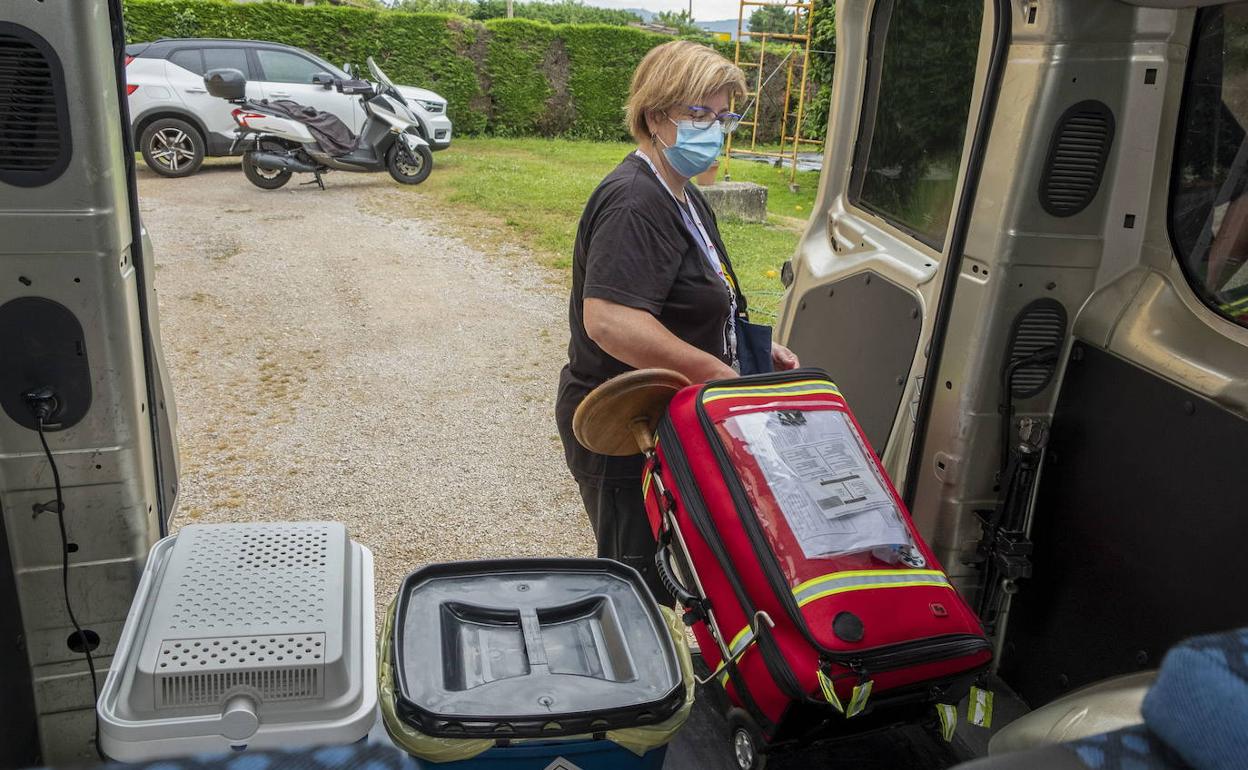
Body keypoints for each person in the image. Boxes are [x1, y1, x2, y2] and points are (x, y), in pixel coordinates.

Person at [555, 40, 800, 600]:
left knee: (682, 579)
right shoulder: (635, 200)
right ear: (653, 114)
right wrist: (711, 370)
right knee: (640, 590)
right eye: (697, 114)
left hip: (666, 420)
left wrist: (752, 348)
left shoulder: (681, 193)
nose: (713, 129)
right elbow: (611, 321)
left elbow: (696, 295)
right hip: (625, 428)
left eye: (723, 116)